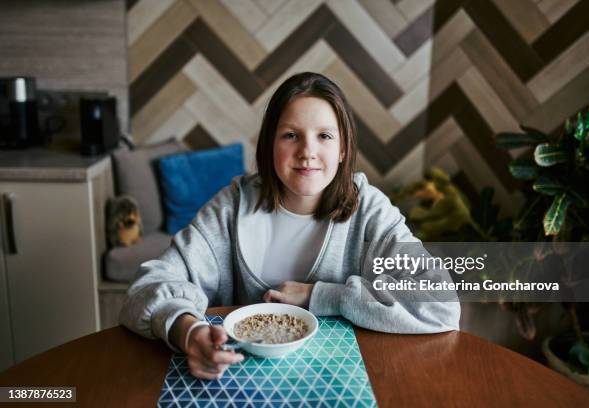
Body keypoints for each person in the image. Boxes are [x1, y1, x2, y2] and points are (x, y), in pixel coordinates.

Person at [120, 72, 460, 380]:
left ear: (343, 149)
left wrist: (322, 295)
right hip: (237, 379)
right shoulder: (232, 205)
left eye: (325, 136)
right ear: (270, 145)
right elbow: (148, 286)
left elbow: (440, 303)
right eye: (291, 135)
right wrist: (188, 332)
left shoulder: (369, 210)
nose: (307, 152)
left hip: (342, 379)